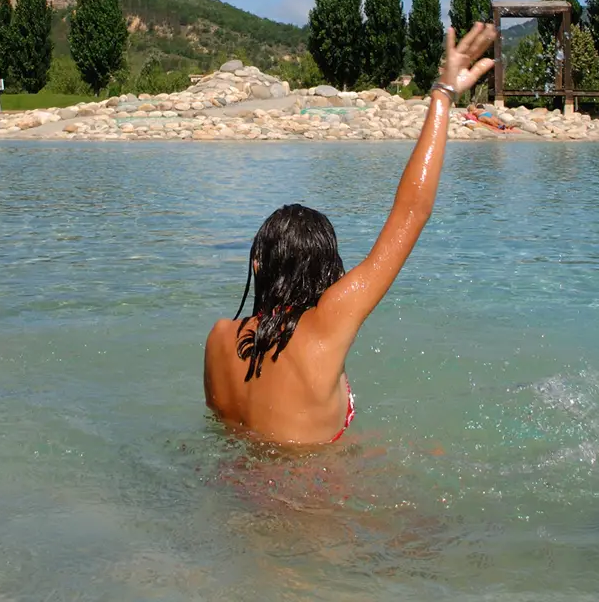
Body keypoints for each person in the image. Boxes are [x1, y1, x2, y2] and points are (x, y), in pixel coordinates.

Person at [203, 22, 498, 445]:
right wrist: (443, 96)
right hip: (313, 505)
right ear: (330, 271)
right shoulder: (328, 322)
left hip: (235, 498)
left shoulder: (218, 339)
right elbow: (411, 212)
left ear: (257, 263)